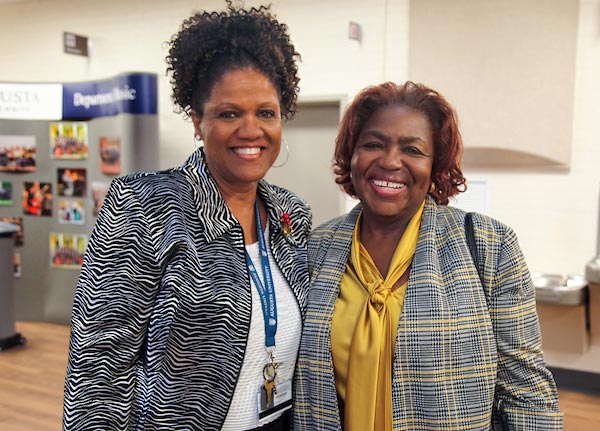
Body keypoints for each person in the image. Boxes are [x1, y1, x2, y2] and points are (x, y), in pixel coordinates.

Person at [63, 3, 311, 431]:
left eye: (265, 113)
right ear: (198, 121)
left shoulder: (293, 215)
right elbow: (97, 372)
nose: (251, 130)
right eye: (229, 113)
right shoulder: (147, 205)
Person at [293, 81, 562, 430]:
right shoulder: (318, 247)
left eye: (413, 150)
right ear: (352, 155)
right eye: (373, 144)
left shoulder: (488, 245)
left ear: (435, 165)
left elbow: (527, 392)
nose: (390, 161)